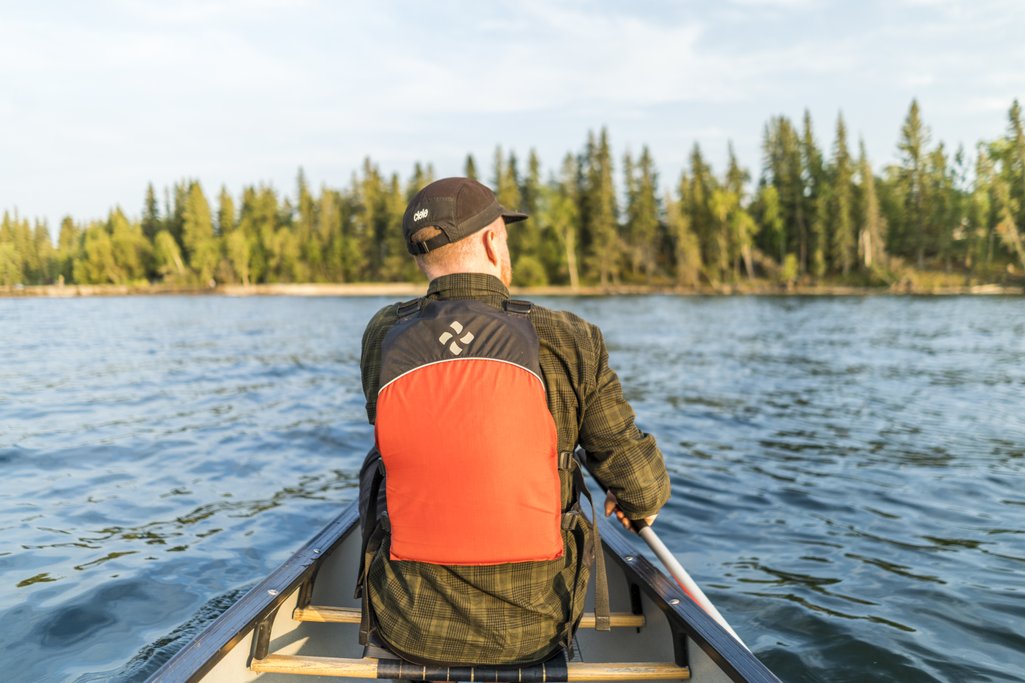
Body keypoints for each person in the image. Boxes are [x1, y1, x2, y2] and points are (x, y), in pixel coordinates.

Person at [357, 177, 670, 667]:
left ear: (422, 258)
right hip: (532, 628)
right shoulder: (569, 337)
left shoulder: (383, 333)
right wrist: (638, 501)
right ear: (491, 240)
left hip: (408, 621)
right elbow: (642, 487)